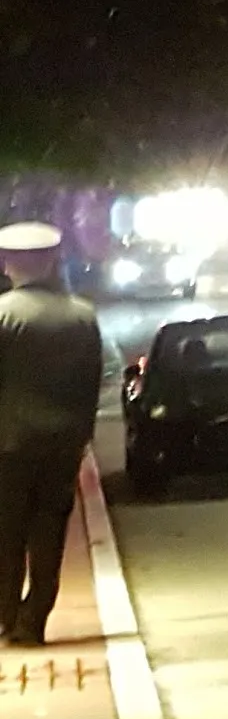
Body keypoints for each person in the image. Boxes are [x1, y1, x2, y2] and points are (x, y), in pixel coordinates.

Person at [0, 222, 105, 646]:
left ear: (8, 264)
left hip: (7, 444)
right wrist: (81, 435)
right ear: (52, 261)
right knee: (49, 532)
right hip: (63, 443)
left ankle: (6, 615)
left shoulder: (3, 314)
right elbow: (92, 381)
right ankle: (34, 619)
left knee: (6, 532)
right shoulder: (83, 315)